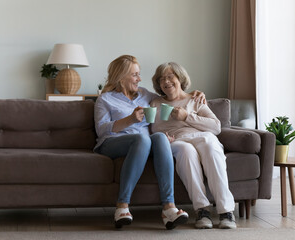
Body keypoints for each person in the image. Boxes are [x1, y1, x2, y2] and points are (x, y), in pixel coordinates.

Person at [94, 55, 205, 230]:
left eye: (139, 74)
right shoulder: (105, 99)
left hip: (143, 143)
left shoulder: (145, 95)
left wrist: (193, 94)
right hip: (112, 143)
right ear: (121, 78)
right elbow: (101, 129)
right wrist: (130, 120)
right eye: (135, 75)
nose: (139, 79)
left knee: (160, 137)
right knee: (142, 138)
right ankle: (122, 207)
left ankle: (169, 208)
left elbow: (171, 96)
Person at [150, 62, 236, 229]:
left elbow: (216, 126)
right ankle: (202, 210)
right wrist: (160, 139)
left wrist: (187, 117)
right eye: (162, 79)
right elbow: (151, 129)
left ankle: (226, 211)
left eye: (170, 76)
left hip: (203, 137)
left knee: (210, 147)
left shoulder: (195, 99)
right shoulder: (155, 103)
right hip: (177, 141)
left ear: (180, 78)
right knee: (186, 150)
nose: (166, 81)